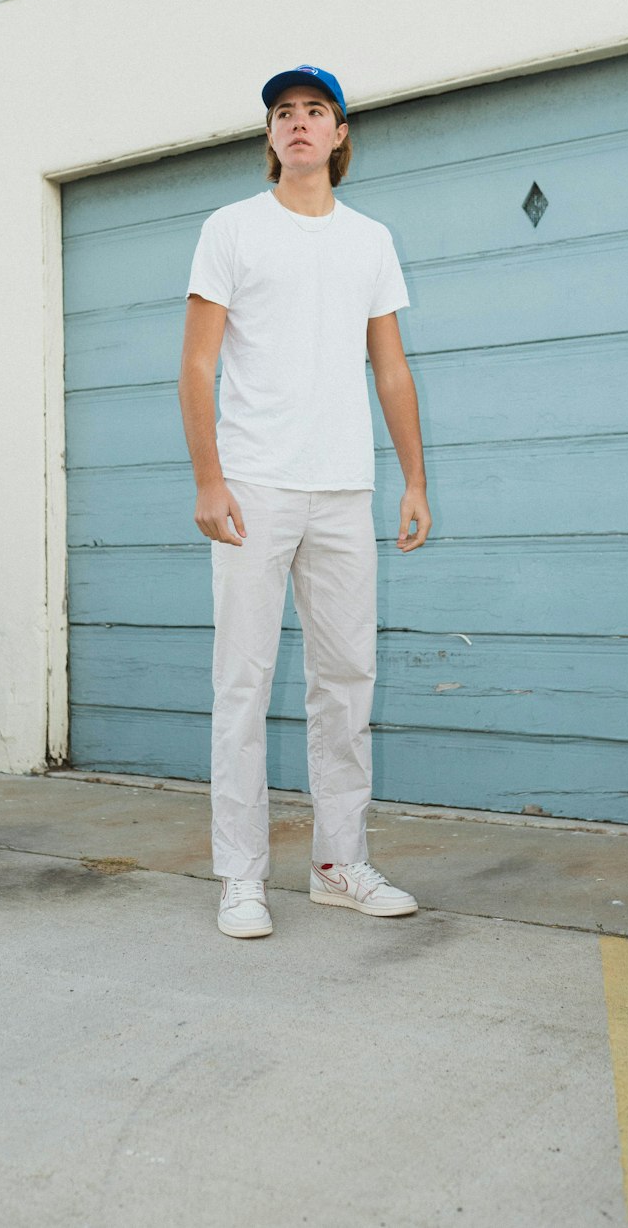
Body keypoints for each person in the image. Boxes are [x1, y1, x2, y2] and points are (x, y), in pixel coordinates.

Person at [178, 65, 432, 939]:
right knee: (243, 682)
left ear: (339, 134)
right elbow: (198, 366)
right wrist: (209, 478)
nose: (297, 123)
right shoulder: (230, 230)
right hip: (253, 484)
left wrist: (415, 479)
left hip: (343, 487)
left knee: (345, 681)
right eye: (282, 112)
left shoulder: (371, 240)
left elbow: (389, 368)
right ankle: (241, 876)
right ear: (270, 137)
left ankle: (337, 864)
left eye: (313, 111)